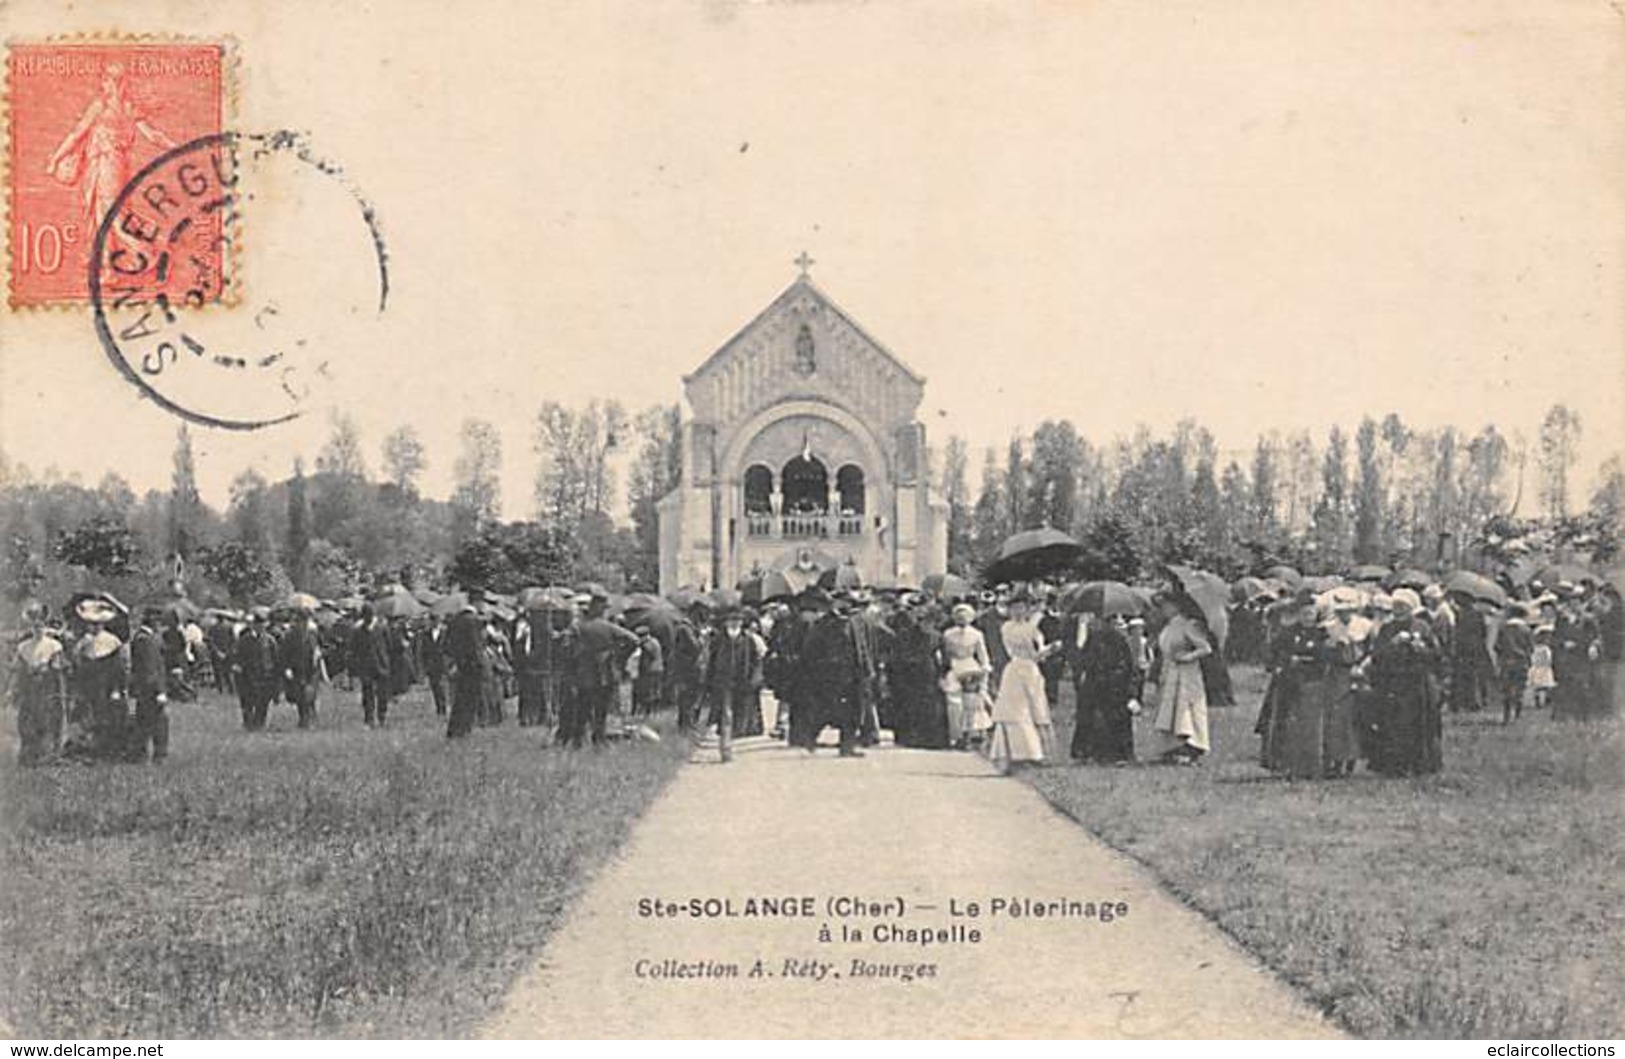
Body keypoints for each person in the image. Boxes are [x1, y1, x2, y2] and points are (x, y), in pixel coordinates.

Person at [1365, 588, 1443, 776]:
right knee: (1393, 723)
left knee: (1418, 723)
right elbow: (1377, 656)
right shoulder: (1387, 628)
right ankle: (1395, 764)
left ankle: (1419, 763)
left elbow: (1437, 656)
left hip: (1417, 681)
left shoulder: (1422, 627)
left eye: (1403, 607)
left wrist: (1420, 648)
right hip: (1393, 681)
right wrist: (1392, 645)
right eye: (1396, 606)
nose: (1398, 610)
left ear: (1411, 608)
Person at [988, 587, 1059, 771]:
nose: (1018, 611)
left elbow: (1037, 654)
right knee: (1013, 708)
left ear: (1027, 610)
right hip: (1015, 669)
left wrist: (1049, 649)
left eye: (1022, 608)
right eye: (1015, 608)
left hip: (1029, 669)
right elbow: (1013, 650)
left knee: (1034, 706)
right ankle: (1012, 752)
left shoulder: (1033, 629)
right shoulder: (1006, 627)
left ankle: (1034, 752)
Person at [792, 588, 866, 756]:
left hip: (852, 675)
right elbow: (810, 650)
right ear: (835, 603)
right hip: (829, 676)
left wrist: (864, 669)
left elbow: (860, 647)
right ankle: (810, 739)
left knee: (852, 712)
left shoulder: (854, 622)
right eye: (843, 602)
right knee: (825, 711)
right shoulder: (824, 623)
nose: (847, 605)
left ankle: (847, 747)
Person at [565, 591, 640, 749]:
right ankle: (598, 739)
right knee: (601, 710)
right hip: (606, 672)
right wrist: (619, 656)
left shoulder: (579, 627)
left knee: (583, 709)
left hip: (585, 673)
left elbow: (568, 646)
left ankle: (578, 741)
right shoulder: (609, 627)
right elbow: (634, 640)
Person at [1149, 591, 1212, 765]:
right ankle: (1173, 747)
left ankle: (1191, 746)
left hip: (1187, 673)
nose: (1164, 609)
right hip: (1170, 672)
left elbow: (1205, 648)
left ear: (1176, 605)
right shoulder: (1168, 626)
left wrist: (1188, 657)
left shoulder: (1189, 624)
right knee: (1170, 710)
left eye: (1166, 605)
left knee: (1186, 710)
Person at [1068, 612, 1138, 765]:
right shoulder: (1094, 639)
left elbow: (1127, 667)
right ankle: (1090, 751)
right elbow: (1085, 661)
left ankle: (1114, 753)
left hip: (1113, 684)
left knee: (1114, 717)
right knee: (1091, 716)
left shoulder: (1119, 640)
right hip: (1097, 683)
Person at [696, 606, 762, 763]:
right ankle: (725, 750)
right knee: (726, 715)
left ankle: (730, 743)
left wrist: (754, 679)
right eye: (731, 620)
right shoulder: (718, 640)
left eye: (737, 620)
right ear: (725, 623)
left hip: (741, 683)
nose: (734, 623)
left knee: (739, 717)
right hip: (722, 683)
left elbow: (755, 662)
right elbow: (711, 661)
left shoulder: (747, 640)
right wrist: (708, 682)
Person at [10, 602, 67, 766]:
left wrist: (47, 667)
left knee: (48, 719)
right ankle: (29, 755)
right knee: (28, 719)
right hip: (29, 688)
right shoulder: (23, 647)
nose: (38, 629)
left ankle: (48, 754)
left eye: (41, 626)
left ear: (45, 627)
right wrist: (13, 689)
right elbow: (17, 670)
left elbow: (58, 668)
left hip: (48, 688)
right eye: (35, 627)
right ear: (31, 628)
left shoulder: (54, 646)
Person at [889, 599, 948, 749]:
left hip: (930, 672)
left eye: (930, 622)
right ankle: (911, 737)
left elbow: (942, 656)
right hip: (912, 674)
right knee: (912, 705)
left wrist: (942, 671)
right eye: (924, 621)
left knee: (931, 706)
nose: (927, 625)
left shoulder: (937, 636)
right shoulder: (907, 635)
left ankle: (930, 738)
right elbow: (900, 655)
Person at [941, 602, 992, 748]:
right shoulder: (948, 634)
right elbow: (945, 653)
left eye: (965, 616)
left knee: (971, 703)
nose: (962, 619)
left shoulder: (977, 634)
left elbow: (983, 654)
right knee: (954, 703)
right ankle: (956, 735)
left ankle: (970, 734)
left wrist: (984, 669)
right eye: (958, 616)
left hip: (970, 666)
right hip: (954, 666)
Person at [127, 607, 169, 763]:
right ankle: (155, 756)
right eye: (157, 620)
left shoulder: (143, 637)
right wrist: (160, 691)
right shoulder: (145, 640)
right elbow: (150, 668)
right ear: (151, 621)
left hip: (144, 688)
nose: (159, 624)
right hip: (149, 689)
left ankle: (139, 755)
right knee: (156, 723)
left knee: (144, 722)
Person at [445, 604, 489, 739]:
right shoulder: (473, 621)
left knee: (459, 699)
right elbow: (476, 646)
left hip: (461, 664)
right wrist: (482, 664)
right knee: (471, 699)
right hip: (473, 666)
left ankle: (454, 730)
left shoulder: (454, 621)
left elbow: (448, 645)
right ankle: (464, 729)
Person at [348, 605, 393, 728]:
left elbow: (389, 646)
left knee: (382, 693)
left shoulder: (382, 628)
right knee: (367, 693)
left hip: (381, 664)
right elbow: (354, 649)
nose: (367, 619)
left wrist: (386, 661)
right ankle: (369, 718)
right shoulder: (357, 631)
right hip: (366, 666)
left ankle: (381, 716)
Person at [232, 610, 278, 730]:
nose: (260, 628)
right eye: (258, 625)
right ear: (253, 625)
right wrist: (239, 668)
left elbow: (275, 657)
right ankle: (248, 724)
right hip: (249, 675)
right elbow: (238, 656)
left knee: (264, 701)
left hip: (266, 675)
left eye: (262, 625)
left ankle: (260, 724)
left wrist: (276, 674)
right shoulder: (245, 640)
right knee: (248, 700)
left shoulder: (270, 640)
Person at [279, 612, 323, 729]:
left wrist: (319, 653)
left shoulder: (313, 634)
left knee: (310, 693)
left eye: (304, 621)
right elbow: (284, 653)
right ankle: (304, 718)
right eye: (299, 621)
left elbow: (319, 646)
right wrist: (286, 668)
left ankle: (311, 716)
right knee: (300, 694)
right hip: (297, 668)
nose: (302, 624)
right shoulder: (289, 635)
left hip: (311, 668)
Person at [1495, 603, 1535, 725]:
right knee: (1519, 688)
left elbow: (1497, 646)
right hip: (1521, 661)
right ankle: (1518, 714)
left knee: (1506, 689)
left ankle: (1506, 715)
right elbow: (1531, 648)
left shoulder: (1503, 628)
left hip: (1506, 661)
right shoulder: (1526, 630)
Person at [632, 625, 665, 717]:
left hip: (652, 670)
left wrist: (640, 645)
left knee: (650, 691)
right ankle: (652, 712)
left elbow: (649, 653)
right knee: (653, 691)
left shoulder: (650, 643)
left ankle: (649, 712)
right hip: (657, 669)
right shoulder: (654, 641)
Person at [422, 614, 451, 718]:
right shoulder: (426, 634)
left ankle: (443, 707)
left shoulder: (445, 633)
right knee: (434, 686)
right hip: (431, 663)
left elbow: (449, 647)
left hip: (442, 662)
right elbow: (423, 649)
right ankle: (438, 707)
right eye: (432, 621)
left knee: (441, 686)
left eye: (436, 621)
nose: (434, 623)